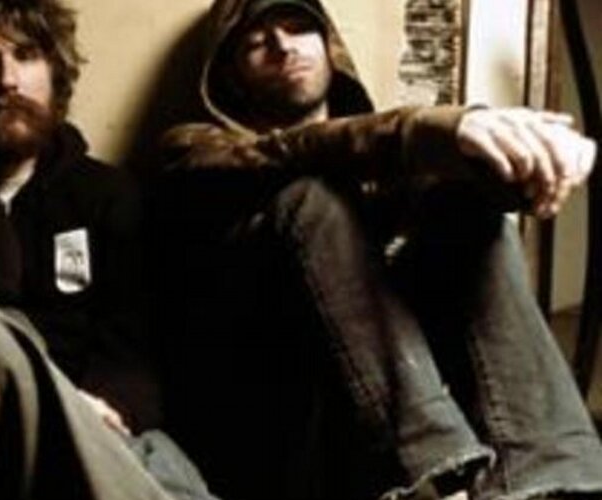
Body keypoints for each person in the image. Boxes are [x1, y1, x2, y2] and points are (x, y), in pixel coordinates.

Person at [148, 0, 602, 498]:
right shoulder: (191, 148)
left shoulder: (378, 165)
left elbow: (446, 202)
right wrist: (430, 129)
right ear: (232, 75)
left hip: (370, 421)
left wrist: (533, 160)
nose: (283, 47)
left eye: (299, 28)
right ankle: (433, 475)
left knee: (459, 205)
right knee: (309, 197)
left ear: (329, 46)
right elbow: (287, 152)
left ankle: (542, 473)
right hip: (273, 427)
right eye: (256, 42)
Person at [0, 0, 214, 497]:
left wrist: (103, 407)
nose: (7, 80)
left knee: (162, 470)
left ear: (55, 74)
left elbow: (132, 344)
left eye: (26, 55)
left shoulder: (104, 194)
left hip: (92, 424)